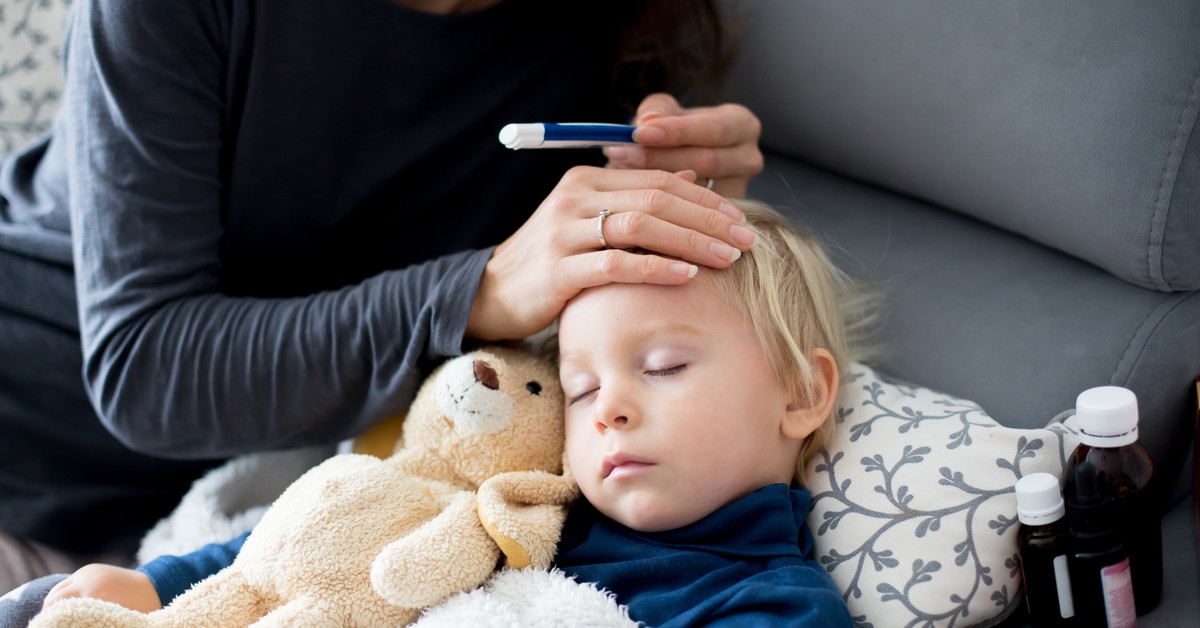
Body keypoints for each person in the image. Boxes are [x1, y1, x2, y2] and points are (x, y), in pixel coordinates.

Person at [0, 0, 765, 591]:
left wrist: (694, 222)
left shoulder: (610, 32)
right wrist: (475, 291)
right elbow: (146, 370)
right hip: (34, 456)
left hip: (290, 520)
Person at [15, 199, 872, 626]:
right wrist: (160, 583)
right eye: (578, 388)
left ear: (801, 393)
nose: (607, 408)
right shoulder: (527, 502)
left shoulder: (771, 603)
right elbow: (326, 541)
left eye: (665, 366)